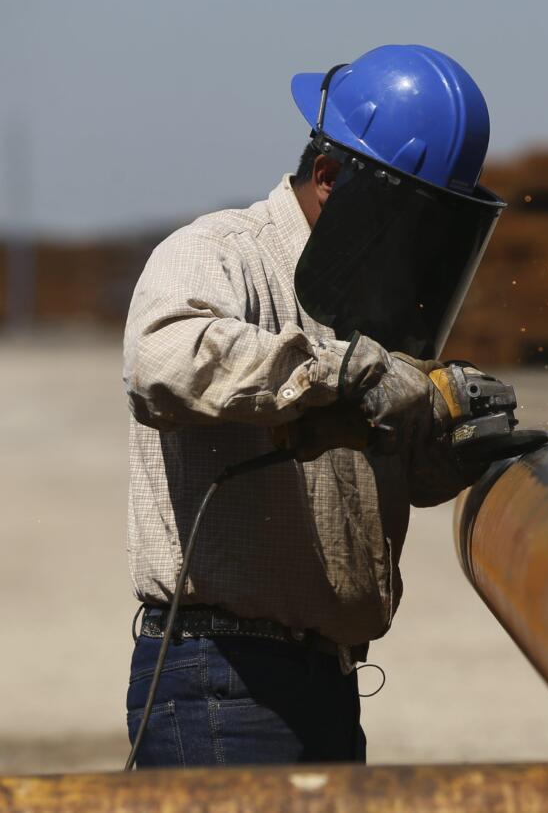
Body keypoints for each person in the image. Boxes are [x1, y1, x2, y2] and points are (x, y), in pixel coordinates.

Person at [121, 44, 505, 767]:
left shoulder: (362, 304)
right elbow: (160, 362)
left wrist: (448, 444)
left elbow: (379, 481)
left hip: (321, 683)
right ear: (329, 176)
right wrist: (350, 374)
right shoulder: (219, 253)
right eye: (406, 220)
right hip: (223, 683)